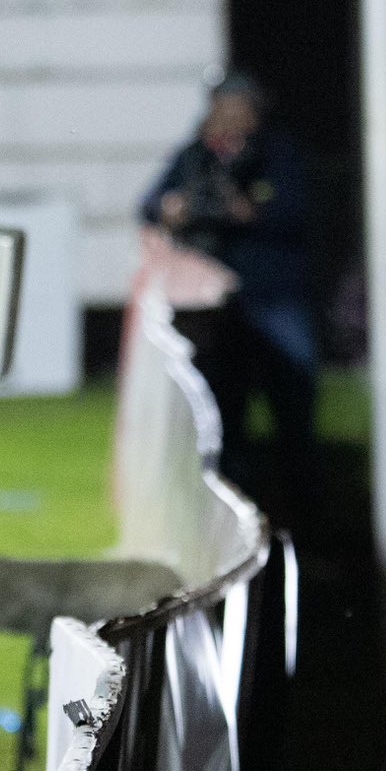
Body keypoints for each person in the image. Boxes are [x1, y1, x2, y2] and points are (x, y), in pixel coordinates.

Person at [141, 71, 316, 511]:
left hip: (270, 295)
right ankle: (228, 485)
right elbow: (151, 204)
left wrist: (251, 212)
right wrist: (173, 208)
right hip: (215, 303)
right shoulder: (197, 154)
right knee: (221, 400)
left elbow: (298, 211)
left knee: (292, 390)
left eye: (243, 107)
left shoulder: (277, 153)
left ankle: (299, 489)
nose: (234, 117)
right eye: (227, 106)